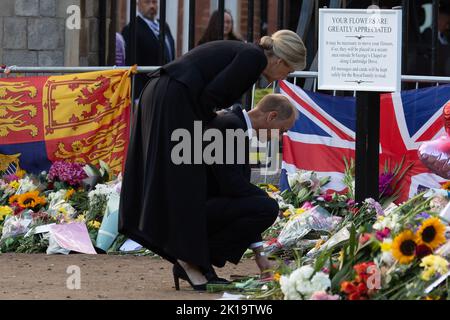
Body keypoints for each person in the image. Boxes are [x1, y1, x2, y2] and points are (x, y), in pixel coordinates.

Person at [119, 30, 306, 291]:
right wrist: (211, 137)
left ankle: (195, 262)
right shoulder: (253, 58)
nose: (285, 78)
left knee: (183, 181)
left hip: (166, 93)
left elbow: (211, 98)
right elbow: (212, 98)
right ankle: (190, 261)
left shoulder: (249, 55)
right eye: (289, 71)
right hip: (174, 97)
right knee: (185, 180)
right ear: (280, 62)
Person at [205, 94, 297, 281]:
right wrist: (265, 199)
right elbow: (231, 185)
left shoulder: (235, 122)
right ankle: (199, 258)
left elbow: (240, 193)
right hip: (196, 204)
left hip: (205, 201)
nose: (280, 137)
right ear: (271, 116)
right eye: (282, 131)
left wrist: (259, 255)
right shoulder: (231, 125)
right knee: (267, 207)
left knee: (263, 206)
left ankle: (201, 259)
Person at [122, 0, 175, 98]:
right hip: (146, 90)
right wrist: (137, 96)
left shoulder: (164, 25)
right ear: (138, 4)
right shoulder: (132, 29)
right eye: (147, 2)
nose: (152, 6)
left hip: (166, 87)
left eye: (154, 2)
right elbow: (131, 64)